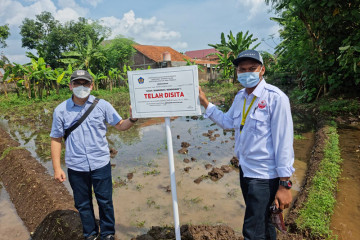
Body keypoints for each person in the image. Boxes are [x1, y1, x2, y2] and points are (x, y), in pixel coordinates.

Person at [199, 50, 295, 240]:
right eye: (242, 69)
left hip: (264, 176)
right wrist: (205, 102)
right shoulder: (240, 97)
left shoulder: (275, 98)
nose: (246, 73)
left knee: (252, 230)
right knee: (265, 222)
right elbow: (227, 122)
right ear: (237, 72)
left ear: (262, 70)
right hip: (246, 171)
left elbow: (283, 142)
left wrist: (284, 185)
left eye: (252, 68)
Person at [50, 70, 138, 240]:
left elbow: (120, 125)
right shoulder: (60, 110)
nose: (81, 87)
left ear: (91, 86)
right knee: (82, 204)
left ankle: (107, 234)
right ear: (70, 86)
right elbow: (56, 139)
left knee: (105, 201)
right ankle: (90, 234)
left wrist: (132, 119)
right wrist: (56, 168)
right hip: (76, 166)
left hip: (100, 163)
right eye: (77, 83)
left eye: (85, 83)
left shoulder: (102, 105)